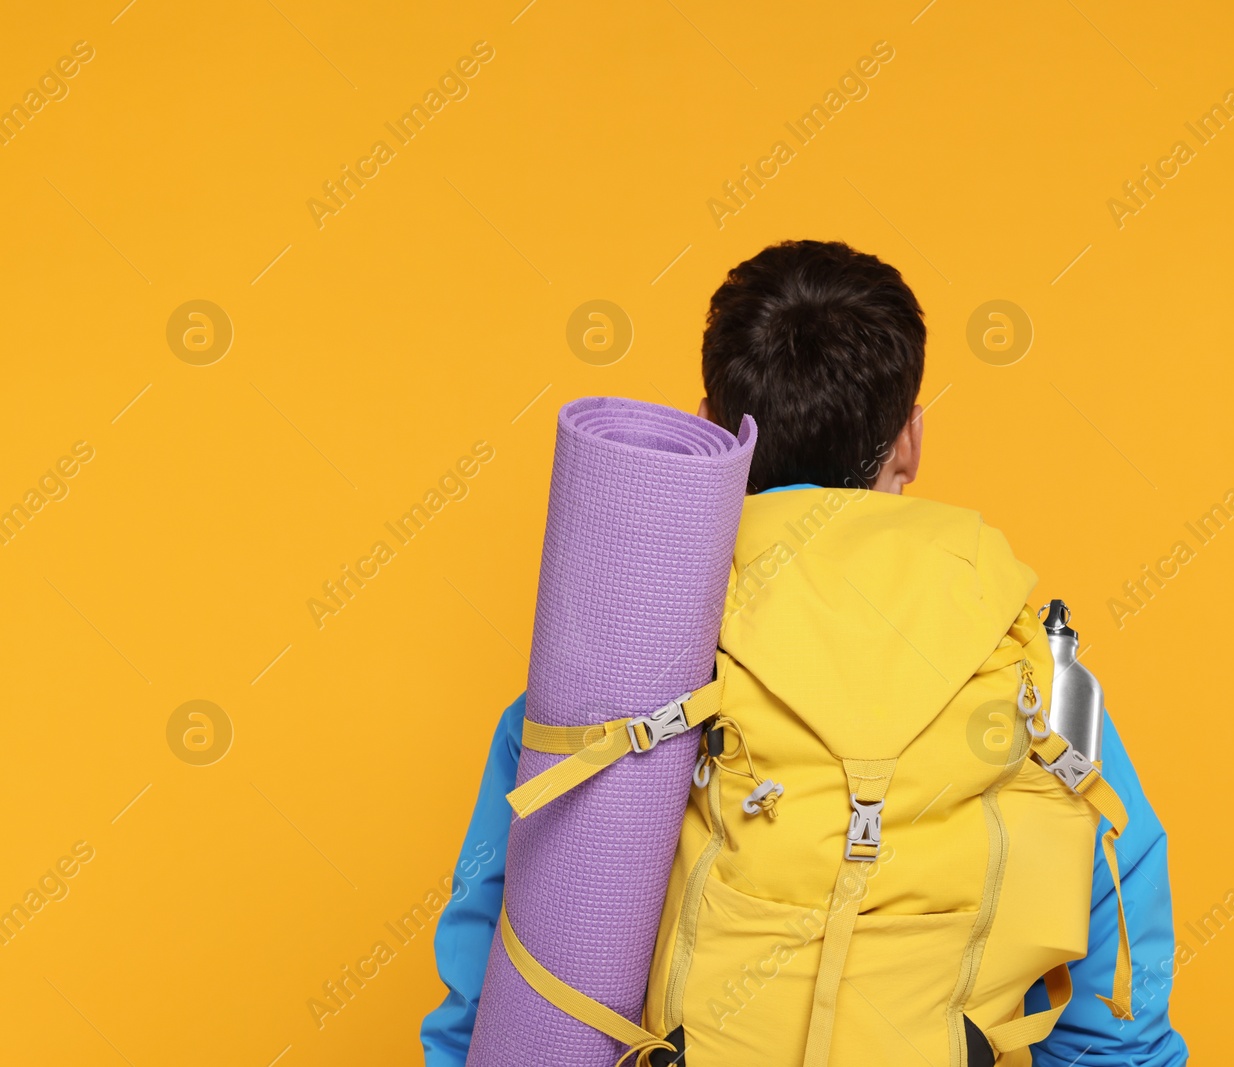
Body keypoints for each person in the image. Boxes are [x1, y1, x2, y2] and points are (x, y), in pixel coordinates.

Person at [422, 240, 1188, 1065]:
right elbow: (1121, 1023)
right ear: (909, 441)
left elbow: (499, 990)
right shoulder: (1030, 670)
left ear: (717, 433)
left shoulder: (627, 659)